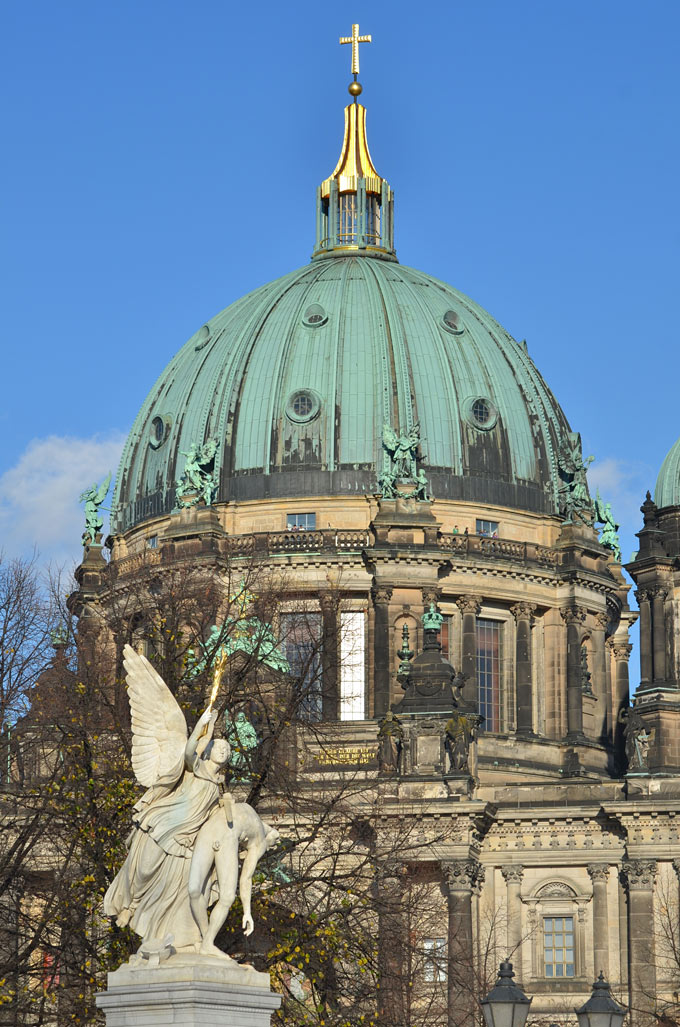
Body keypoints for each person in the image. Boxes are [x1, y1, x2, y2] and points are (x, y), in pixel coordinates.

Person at [104, 708, 231, 950]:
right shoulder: (196, 767)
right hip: (164, 823)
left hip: (186, 838)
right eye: (219, 747)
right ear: (209, 751)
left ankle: (174, 933)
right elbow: (190, 749)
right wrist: (203, 725)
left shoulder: (219, 786)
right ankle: (130, 906)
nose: (223, 750)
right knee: (144, 869)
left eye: (227, 749)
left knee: (179, 888)